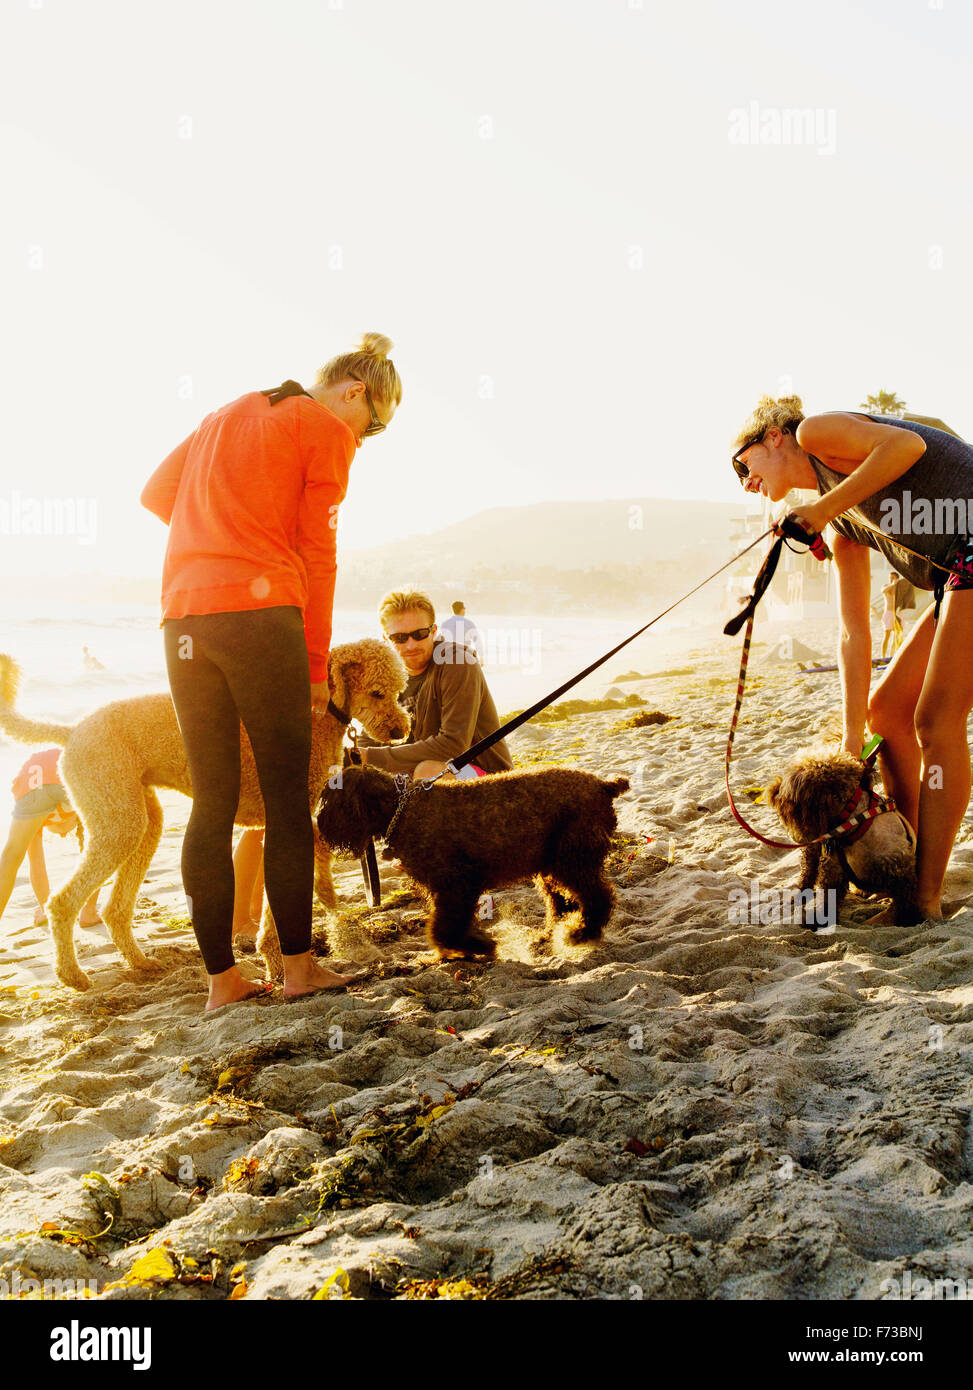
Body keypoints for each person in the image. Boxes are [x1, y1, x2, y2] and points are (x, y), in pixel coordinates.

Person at [141, 333, 402, 1010]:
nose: (364, 440)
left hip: (184, 617)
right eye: (372, 425)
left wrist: (220, 528)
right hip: (263, 620)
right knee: (288, 802)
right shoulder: (324, 430)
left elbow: (155, 494)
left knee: (213, 800)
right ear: (355, 392)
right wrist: (316, 661)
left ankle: (221, 982)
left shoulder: (225, 412)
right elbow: (320, 555)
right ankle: (297, 969)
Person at [731, 394, 973, 923]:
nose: (745, 483)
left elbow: (905, 444)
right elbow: (852, 632)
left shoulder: (816, 433)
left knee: (936, 719)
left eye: (741, 463)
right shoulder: (840, 521)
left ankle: (924, 900)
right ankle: (906, 864)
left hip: (969, 553)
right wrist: (848, 738)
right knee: (885, 712)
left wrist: (822, 508)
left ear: (774, 436)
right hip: (956, 573)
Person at [360, 589, 512, 781]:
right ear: (386, 639)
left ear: (433, 631)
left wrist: (369, 757)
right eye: (400, 638)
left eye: (420, 634)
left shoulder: (458, 662)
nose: (410, 645)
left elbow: (453, 744)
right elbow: (369, 738)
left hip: (486, 776)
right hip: (415, 770)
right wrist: (358, 757)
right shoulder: (386, 676)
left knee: (428, 773)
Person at [0, 748, 102, 929]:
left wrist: (45, 908)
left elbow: (36, 866)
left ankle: (51, 910)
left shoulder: (37, 822)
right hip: (68, 769)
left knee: (11, 856)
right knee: (98, 849)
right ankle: (89, 911)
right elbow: (95, 859)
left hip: (30, 780)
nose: (62, 834)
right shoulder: (82, 809)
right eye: (64, 832)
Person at [880, 570, 903, 659]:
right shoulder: (886, 586)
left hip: (897, 614)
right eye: (889, 577)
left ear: (897, 579)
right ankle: (883, 656)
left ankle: (892, 655)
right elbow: (883, 591)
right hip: (888, 613)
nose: (890, 579)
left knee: (896, 636)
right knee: (886, 635)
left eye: (892, 578)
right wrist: (893, 584)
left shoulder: (899, 588)